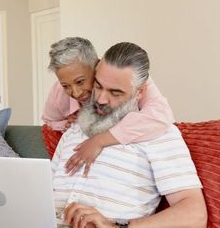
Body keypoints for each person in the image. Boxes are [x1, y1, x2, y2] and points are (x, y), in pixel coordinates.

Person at [52, 42, 207, 228]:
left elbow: (194, 214)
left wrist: (117, 227)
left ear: (140, 92)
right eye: (98, 86)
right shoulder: (73, 130)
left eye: (115, 92)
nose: (101, 99)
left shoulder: (159, 133)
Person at [42, 37, 174, 176]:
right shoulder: (59, 92)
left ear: (97, 66)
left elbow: (161, 114)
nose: (75, 92)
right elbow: (50, 120)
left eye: (80, 81)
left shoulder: (128, 78)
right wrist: (64, 125)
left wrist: (99, 141)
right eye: (66, 86)